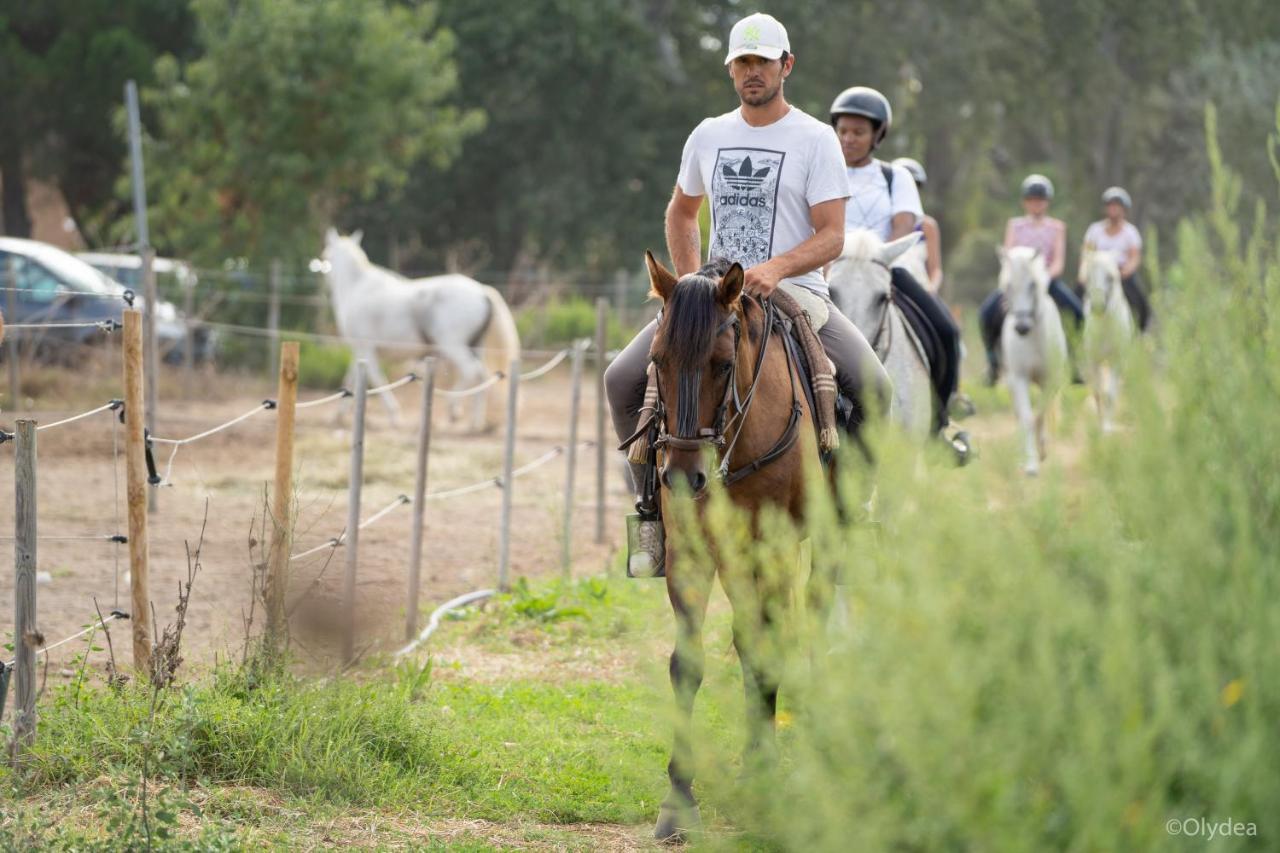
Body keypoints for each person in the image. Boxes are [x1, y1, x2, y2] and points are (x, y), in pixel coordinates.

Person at [604, 12, 890, 489]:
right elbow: (681, 212)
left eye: (764, 61)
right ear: (730, 70)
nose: (752, 70)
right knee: (620, 379)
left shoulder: (817, 138)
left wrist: (776, 269)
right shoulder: (708, 134)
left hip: (797, 293)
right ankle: (650, 508)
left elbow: (832, 235)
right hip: (716, 297)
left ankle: (850, 513)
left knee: (874, 387)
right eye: (743, 61)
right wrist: (694, 290)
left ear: (787, 66)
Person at [830, 86, 960, 431]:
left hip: (883, 270)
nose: (848, 139)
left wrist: (870, 261)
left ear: (877, 135)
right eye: (842, 131)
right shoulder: (822, 171)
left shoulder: (894, 176)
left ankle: (940, 422)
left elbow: (902, 227)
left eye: (858, 132)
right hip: (830, 272)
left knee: (945, 331)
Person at [978, 174, 1085, 384]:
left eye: (1040, 200)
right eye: (1032, 200)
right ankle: (993, 364)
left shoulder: (1056, 227)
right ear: (1025, 203)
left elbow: (1058, 262)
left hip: (1045, 280)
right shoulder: (1015, 225)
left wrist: (1042, 279)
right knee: (986, 313)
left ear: (1047, 202)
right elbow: (1008, 255)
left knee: (1077, 312)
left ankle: (1072, 362)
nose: (1036, 204)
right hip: (1018, 281)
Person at [1079, 186, 1151, 331]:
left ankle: (1140, 333)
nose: (1114, 209)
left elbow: (1135, 257)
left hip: (1121, 274)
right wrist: (1083, 273)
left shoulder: (1130, 232)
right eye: (1111, 205)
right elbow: (1086, 254)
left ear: (1124, 209)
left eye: (1117, 206)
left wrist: (1123, 272)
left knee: (1140, 303)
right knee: (1076, 297)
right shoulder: (1095, 230)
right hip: (1097, 273)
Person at [891, 156, 943, 293]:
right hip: (883, 282)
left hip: (919, 287)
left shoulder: (928, 226)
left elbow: (935, 269)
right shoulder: (881, 222)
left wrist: (932, 289)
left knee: (940, 315)